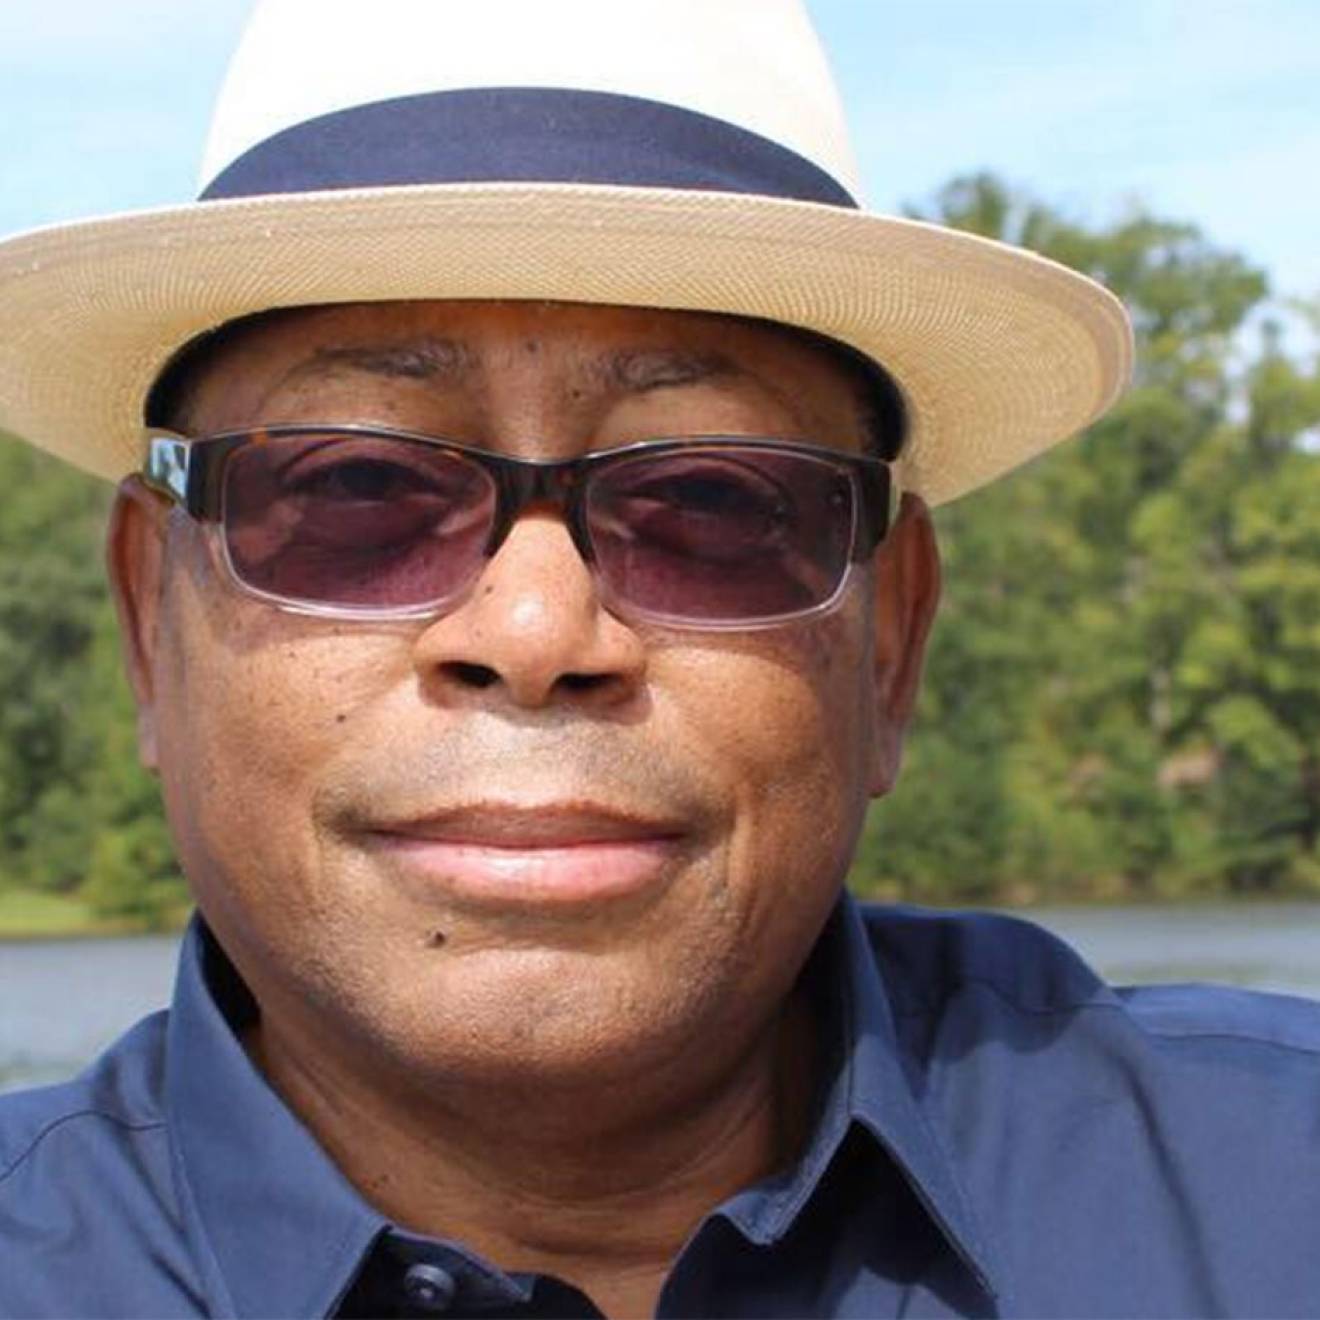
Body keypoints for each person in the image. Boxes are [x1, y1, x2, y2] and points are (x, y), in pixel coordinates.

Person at [1, 2, 1317, 1316]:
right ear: (146, 622)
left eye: (715, 503)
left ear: (893, 645)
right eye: (356, 489)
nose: (532, 634)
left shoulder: (1270, 1192)